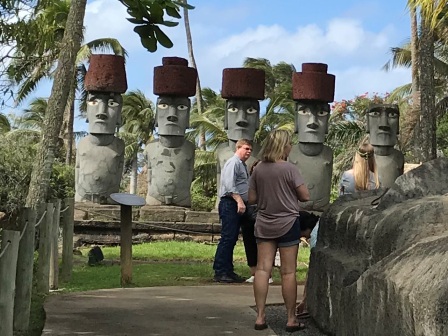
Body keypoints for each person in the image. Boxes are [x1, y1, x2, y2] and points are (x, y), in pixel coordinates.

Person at [248, 129, 314, 332]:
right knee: (288, 272)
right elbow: (304, 196)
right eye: (289, 144)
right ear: (284, 146)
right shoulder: (289, 169)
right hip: (288, 224)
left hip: (264, 223)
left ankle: (260, 316)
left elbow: (251, 198)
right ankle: (291, 318)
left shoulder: (258, 169)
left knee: (262, 269)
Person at [213, 139, 253, 283]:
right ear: (238, 148)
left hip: (236, 204)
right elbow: (229, 185)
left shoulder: (242, 165)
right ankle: (220, 271)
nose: (248, 152)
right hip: (230, 203)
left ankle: (228, 271)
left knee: (232, 238)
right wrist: (239, 201)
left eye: (250, 150)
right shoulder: (233, 162)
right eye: (246, 148)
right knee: (227, 238)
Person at [242, 160, 273, 284]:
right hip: (249, 213)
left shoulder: (270, 182)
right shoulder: (248, 181)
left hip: (263, 214)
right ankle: (253, 272)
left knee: (263, 246)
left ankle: (267, 273)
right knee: (249, 244)